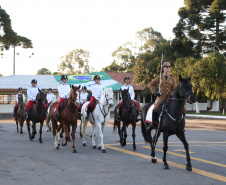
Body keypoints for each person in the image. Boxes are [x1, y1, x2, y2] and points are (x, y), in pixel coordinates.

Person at [147, 62, 176, 131]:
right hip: (161, 97)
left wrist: (172, 94)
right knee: (156, 107)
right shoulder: (159, 77)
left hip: (170, 97)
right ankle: (153, 123)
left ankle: (179, 124)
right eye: (166, 67)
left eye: (169, 68)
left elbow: (174, 88)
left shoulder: (172, 78)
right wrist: (155, 92)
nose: (168, 69)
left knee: (182, 108)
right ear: (163, 68)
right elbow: (150, 84)